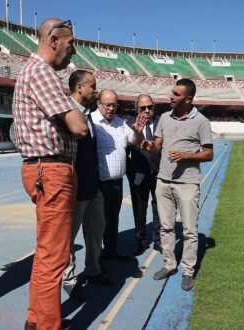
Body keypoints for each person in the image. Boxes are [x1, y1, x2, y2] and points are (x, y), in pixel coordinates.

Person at [12, 18, 87, 330]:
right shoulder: (42, 72)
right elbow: (79, 127)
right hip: (52, 170)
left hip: (45, 168)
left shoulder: (35, 72)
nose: (73, 52)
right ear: (54, 40)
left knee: (46, 255)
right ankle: (46, 326)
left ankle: (37, 319)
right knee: (55, 257)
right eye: (70, 44)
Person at [142, 79, 213, 291]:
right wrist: (149, 146)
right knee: (166, 227)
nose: (170, 96)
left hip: (188, 183)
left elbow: (209, 153)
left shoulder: (201, 121)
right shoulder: (164, 117)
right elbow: (157, 147)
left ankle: (188, 271)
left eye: (175, 94)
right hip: (163, 180)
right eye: (171, 92)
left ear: (188, 99)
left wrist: (185, 155)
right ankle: (169, 264)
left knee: (190, 231)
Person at [62, 70, 113, 301]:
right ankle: (69, 281)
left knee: (95, 232)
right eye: (92, 86)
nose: (96, 90)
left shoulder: (88, 114)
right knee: (69, 239)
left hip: (93, 187)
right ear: (79, 87)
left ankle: (93, 270)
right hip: (74, 188)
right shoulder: (65, 110)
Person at [91, 90, 147, 261]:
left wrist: (137, 131)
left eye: (114, 104)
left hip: (116, 182)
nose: (111, 108)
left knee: (112, 220)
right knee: (96, 223)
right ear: (98, 104)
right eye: (107, 104)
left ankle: (111, 251)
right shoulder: (91, 121)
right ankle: (95, 260)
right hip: (98, 183)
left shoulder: (120, 123)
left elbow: (135, 141)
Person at [126, 94, 161, 256]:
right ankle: (140, 240)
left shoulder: (163, 122)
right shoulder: (128, 125)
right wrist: (130, 172)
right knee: (139, 209)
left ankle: (159, 240)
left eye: (150, 107)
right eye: (143, 108)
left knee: (159, 208)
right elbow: (124, 152)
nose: (147, 111)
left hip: (160, 174)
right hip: (138, 175)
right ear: (136, 109)